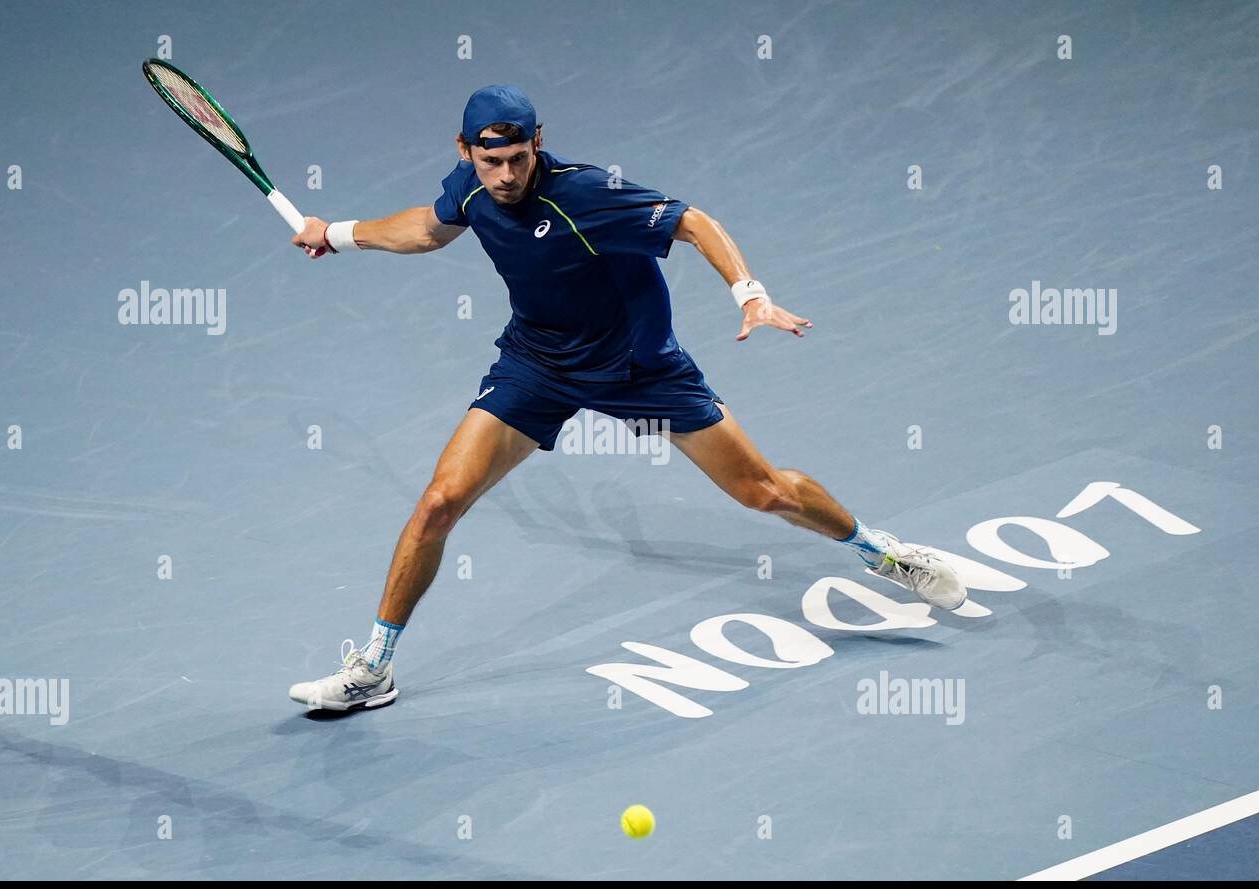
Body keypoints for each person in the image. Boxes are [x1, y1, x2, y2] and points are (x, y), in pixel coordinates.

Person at [287, 84, 965, 712]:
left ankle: (882, 552)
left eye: (518, 159)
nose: (505, 176)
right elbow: (428, 229)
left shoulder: (586, 195)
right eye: (490, 161)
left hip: (640, 367)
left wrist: (749, 294)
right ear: (465, 151)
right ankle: (374, 667)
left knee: (765, 491)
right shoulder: (472, 188)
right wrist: (337, 234)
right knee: (439, 502)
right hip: (538, 363)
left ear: (538, 143)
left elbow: (694, 221)